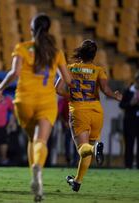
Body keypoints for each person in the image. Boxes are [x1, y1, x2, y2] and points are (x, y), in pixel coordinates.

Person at [0, 14, 73, 201]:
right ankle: (38, 169)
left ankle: (34, 175)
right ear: (48, 30)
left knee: (31, 139)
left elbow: (15, 72)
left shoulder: (22, 48)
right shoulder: (56, 52)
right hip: (46, 101)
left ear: (31, 29)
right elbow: (68, 79)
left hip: (23, 101)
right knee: (41, 141)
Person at [56, 39, 122, 192]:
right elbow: (106, 90)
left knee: (83, 149)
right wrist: (116, 96)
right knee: (87, 148)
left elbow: (58, 89)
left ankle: (94, 149)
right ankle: (77, 182)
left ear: (80, 52)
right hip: (96, 111)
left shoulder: (70, 68)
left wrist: (71, 96)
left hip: (79, 110)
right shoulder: (99, 70)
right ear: (94, 55)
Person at [119, 71, 139, 169]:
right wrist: (131, 103)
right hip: (130, 121)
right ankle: (128, 165)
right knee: (129, 144)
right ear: (136, 81)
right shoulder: (128, 91)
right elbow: (121, 105)